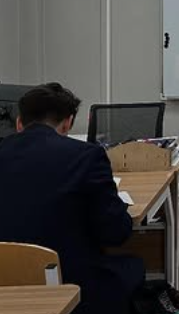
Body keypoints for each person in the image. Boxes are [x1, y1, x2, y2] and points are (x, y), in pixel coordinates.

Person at [0, 83, 144, 314]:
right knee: (133, 267)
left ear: (19, 123)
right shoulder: (87, 157)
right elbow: (115, 233)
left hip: (6, 285)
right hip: (71, 284)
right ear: (67, 123)